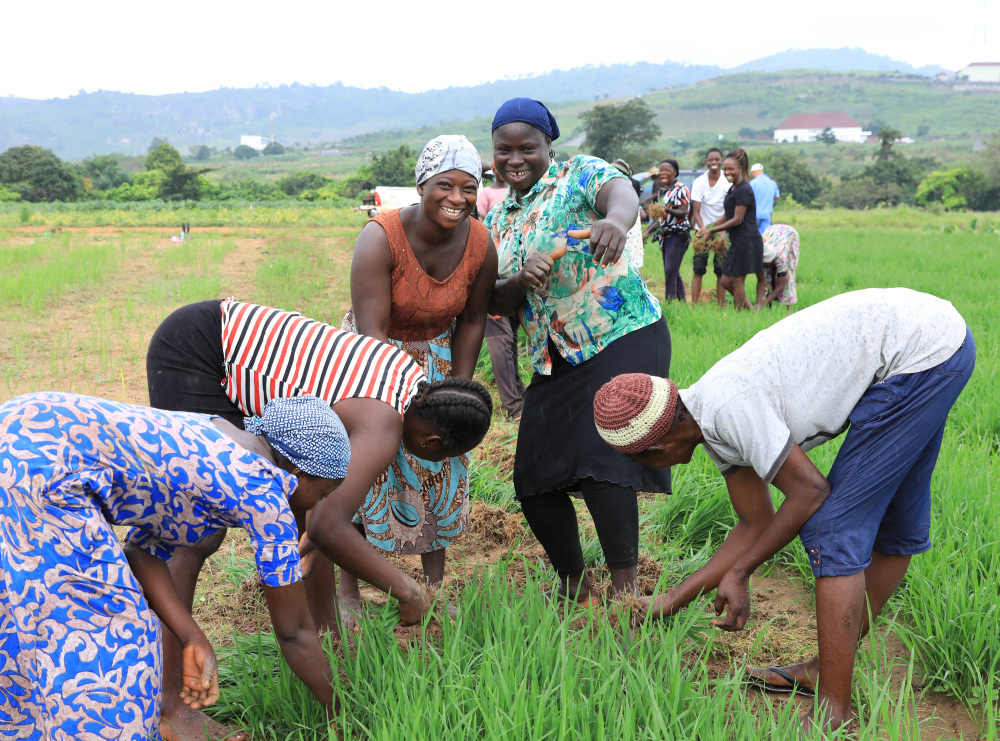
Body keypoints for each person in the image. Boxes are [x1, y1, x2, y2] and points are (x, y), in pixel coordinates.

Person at [593, 288, 975, 733]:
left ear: (656, 447)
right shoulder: (708, 421)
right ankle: (823, 670)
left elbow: (810, 493)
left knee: (832, 529)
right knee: (895, 526)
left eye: (637, 461)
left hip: (919, 353)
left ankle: (834, 710)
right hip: (935, 340)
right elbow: (755, 523)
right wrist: (671, 600)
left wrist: (741, 573)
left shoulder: (726, 409)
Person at [146, 298, 493, 740]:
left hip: (222, 337)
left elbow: (320, 514)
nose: (433, 464)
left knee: (305, 499)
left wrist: (310, 541)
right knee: (196, 530)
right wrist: (409, 591)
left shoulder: (413, 382)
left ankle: (327, 636)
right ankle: (172, 706)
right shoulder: (384, 424)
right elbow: (328, 527)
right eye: (442, 457)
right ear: (433, 439)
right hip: (199, 351)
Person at [0, 391, 347, 741]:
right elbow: (294, 631)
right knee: (114, 629)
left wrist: (191, 636)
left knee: (23, 610)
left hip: (21, 428)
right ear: (299, 473)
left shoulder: (219, 436)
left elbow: (141, 551)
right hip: (42, 466)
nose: (320, 502)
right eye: (323, 493)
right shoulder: (264, 493)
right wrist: (340, 710)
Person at [486, 97, 671, 606]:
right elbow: (494, 300)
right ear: (493, 153)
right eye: (505, 150)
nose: (515, 159)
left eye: (528, 147)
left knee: (600, 462)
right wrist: (520, 279)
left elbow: (621, 194)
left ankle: (626, 592)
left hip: (619, 333)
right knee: (533, 480)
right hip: (555, 355)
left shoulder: (579, 176)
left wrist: (616, 221)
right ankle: (574, 585)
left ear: (550, 145)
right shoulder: (497, 220)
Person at [342, 134, 498, 624]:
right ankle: (346, 592)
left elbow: (474, 319)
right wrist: (401, 398)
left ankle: (430, 589)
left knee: (443, 463)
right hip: (373, 358)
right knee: (369, 466)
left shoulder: (480, 242)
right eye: (444, 185)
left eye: (468, 188)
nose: (457, 198)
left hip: (439, 359)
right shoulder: (380, 237)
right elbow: (372, 332)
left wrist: (458, 391)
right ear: (421, 184)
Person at [697, 149, 764, 312]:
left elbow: (738, 219)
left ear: (740, 167)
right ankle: (751, 309)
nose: (727, 172)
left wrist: (713, 231)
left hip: (747, 240)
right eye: (725, 169)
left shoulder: (744, 189)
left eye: (731, 169)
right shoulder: (733, 188)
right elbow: (728, 215)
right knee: (726, 281)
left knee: (736, 281)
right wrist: (709, 227)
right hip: (737, 240)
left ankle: (739, 315)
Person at [690, 148, 730, 305]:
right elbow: (696, 211)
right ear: (706, 162)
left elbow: (729, 211)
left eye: (717, 159)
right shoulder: (699, 182)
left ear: (722, 161)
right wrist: (704, 230)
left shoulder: (727, 182)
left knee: (720, 270)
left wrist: (720, 230)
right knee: (698, 268)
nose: (714, 162)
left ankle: (721, 306)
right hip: (703, 228)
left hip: (722, 229)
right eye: (711, 160)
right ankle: (693, 305)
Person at [656, 158, 692, 302]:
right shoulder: (662, 191)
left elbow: (683, 212)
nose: (663, 173)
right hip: (665, 236)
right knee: (673, 271)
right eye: (661, 170)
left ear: (675, 172)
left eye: (667, 170)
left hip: (678, 235)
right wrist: (647, 232)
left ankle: (669, 303)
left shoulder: (681, 189)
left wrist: (665, 208)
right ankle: (682, 302)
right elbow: (660, 216)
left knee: (670, 271)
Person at [759, 224, 800, 309]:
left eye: (766, 264)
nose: (764, 266)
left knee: (789, 274)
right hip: (771, 231)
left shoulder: (781, 259)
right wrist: (759, 301)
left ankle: (789, 309)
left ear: (771, 261)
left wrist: (764, 303)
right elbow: (761, 281)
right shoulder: (758, 254)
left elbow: (781, 285)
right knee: (767, 275)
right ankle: (769, 307)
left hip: (789, 234)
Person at [749, 163, 780, 233]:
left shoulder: (753, 183)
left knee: (753, 236)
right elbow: (777, 196)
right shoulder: (772, 182)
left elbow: (748, 197)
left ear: (754, 172)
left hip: (754, 215)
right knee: (765, 236)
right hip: (767, 214)